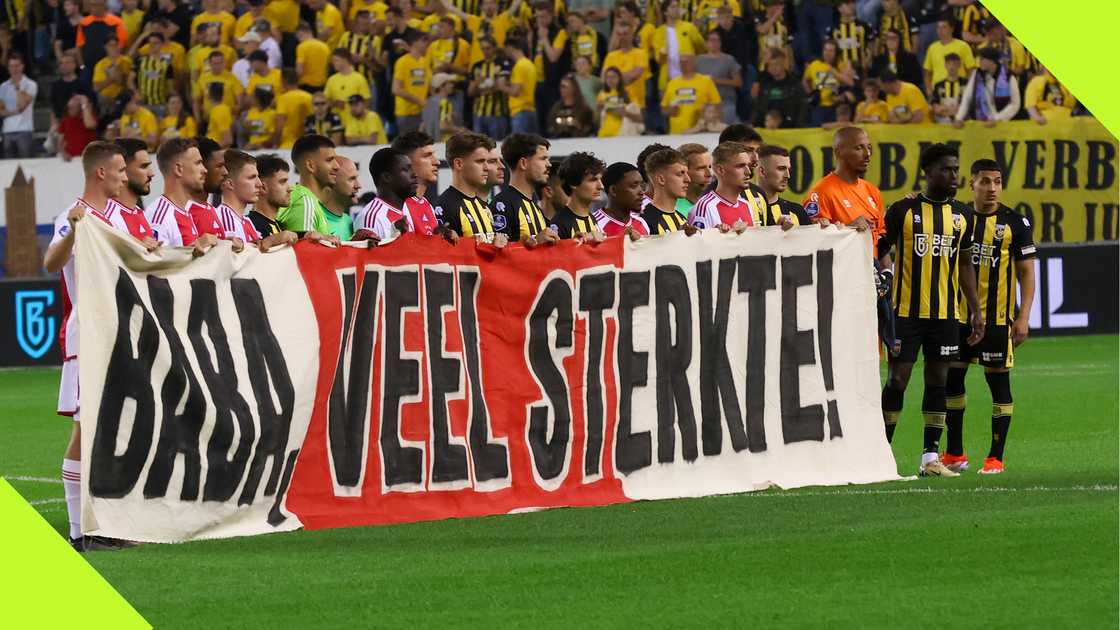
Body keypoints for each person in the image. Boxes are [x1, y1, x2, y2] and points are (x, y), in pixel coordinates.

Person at [43, 142, 131, 552]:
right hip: (88, 337)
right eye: (119, 171)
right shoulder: (74, 216)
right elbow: (50, 263)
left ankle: (104, 525)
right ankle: (79, 533)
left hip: (117, 335)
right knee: (85, 430)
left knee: (111, 432)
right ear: (100, 173)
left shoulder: (119, 219)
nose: (125, 178)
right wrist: (76, 229)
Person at [878, 143, 984, 477]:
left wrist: (975, 309)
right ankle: (880, 453)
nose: (954, 175)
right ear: (928, 173)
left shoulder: (963, 215)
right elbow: (879, 249)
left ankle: (930, 458)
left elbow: (965, 262)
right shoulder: (902, 211)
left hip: (945, 315)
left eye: (956, 169)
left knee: (938, 381)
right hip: (906, 313)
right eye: (947, 169)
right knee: (898, 380)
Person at [940, 159, 1037, 476]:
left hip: (997, 319)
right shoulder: (957, 218)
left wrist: (1023, 317)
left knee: (998, 384)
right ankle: (955, 453)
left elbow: (1026, 273)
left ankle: (995, 457)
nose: (992, 187)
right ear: (972, 184)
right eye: (984, 181)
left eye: (996, 181)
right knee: (952, 381)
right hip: (958, 317)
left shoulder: (1015, 223)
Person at [803, 126, 882, 241]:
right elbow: (812, 242)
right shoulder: (821, 193)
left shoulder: (873, 191)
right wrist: (849, 229)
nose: (867, 154)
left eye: (869, 148)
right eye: (859, 148)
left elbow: (881, 243)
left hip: (872, 259)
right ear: (839, 152)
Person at [144, 137, 220, 251]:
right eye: (198, 163)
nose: (204, 170)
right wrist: (195, 248)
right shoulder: (160, 216)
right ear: (179, 169)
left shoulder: (185, 212)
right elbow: (157, 265)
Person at [217, 149, 296, 250]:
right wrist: (270, 241)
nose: (259, 184)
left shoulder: (246, 221)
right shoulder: (225, 217)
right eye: (251, 177)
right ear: (230, 184)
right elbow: (235, 261)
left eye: (257, 177)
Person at [435, 131, 504, 243]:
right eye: (480, 161)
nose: (487, 168)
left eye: (487, 161)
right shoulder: (445, 206)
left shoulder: (483, 206)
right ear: (459, 164)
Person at [491, 132, 558, 245]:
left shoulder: (535, 209)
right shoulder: (502, 205)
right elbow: (498, 256)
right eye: (543, 159)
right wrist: (536, 242)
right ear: (523, 163)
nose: (549, 164)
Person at [277, 133, 341, 239]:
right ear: (310, 166)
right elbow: (305, 252)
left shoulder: (303, 197)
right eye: (330, 160)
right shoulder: (304, 201)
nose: (337, 166)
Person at [688, 141, 756, 231]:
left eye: (748, 166)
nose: (748, 172)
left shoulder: (746, 205)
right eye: (740, 166)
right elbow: (698, 243)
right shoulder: (706, 206)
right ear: (720, 170)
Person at [353, 147, 415, 242]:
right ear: (387, 177)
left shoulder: (405, 210)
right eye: (406, 169)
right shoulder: (371, 217)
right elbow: (369, 256)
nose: (414, 174)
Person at [106, 138, 159, 244]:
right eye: (144, 166)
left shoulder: (139, 213)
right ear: (122, 170)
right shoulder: (106, 217)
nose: (151, 173)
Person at [955, 47, 1019, 125]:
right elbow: (967, 97)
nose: (979, 62)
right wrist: (959, 118)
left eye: (982, 59)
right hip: (980, 123)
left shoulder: (1009, 77)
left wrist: (996, 118)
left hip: (1001, 124)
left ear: (992, 61)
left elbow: (1015, 104)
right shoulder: (977, 74)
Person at [551, 151, 605, 239]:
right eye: (593, 180)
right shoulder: (560, 223)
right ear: (574, 183)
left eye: (600, 179)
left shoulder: (591, 218)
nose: (601, 186)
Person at [662, 54, 720, 135]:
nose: (684, 64)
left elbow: (717, 104)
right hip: (676, 132)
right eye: (681, 62)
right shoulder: (672, 83)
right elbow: (664, 108)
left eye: (687, 62)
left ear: (694, 63)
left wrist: (714, 125)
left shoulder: (706, 81)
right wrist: (669, 111)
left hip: (700, 131)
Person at [640, 148, 693, 235]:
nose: (688, 179)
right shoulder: (645, 221)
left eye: (687, 173)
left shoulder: (682, 219)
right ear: (661, 179)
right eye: (680, 174)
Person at [755, 144, 811, 226]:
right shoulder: (744, 208)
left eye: (789, 169)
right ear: (762, 172)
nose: (787, 175)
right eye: (781, 169)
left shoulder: (797, 212)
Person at [469, 36, 511, 141]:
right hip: (478, 114)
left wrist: (481, 90)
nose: (485, 51)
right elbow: (470, 92)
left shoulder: (503, 64)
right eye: (483, 48)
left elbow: (502, 86)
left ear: (494, 48)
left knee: (497, 147)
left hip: (497, 114)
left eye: (488, 48)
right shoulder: (477, 66)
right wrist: (477, 82)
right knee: (479, 147)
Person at [751, 49, 805, 128]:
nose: (773, 68)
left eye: (777, 64)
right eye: (771, 65)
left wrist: (799, 127)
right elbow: (758, 107)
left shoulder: (794, 84)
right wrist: (753, 123)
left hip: (789, 128)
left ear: (783, 64)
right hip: (767, 127)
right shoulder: (764, 83)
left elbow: (802, 107)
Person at [593, 161, 649, 238]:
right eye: (634, 186)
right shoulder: (595, 225)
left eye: (641, 185)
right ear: (613, 190)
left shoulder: (641, 223)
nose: (641, 192)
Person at [696, 30, 741, 124]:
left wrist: (715, 81)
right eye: (711, 40)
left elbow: (738, 82)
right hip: (704, 103)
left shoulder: (729, 59)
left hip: (725, 102)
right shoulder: (699, 60)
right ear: (706, 42)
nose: (714, 43)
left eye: (717, 40)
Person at [923, 16, 974, 95]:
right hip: (938, 92)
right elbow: (927, 73)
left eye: (944, 27)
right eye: (938, 27)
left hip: (959, 91)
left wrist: (969, 89)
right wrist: (929, 91)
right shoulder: (932, 48)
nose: (940, 30)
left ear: (952, 29)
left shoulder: (963, 46)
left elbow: (971, 70)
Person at [392, 30, 431, 135]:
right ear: (414, 42)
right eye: (423, 40)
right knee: (408, 147)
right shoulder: (402, 62)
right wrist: (418, 101)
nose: (427, 43)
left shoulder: (425, 61)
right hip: (406, 113)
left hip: (422, 111)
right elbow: (396, 89)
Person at [0, 54, 37, 157]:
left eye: (16, 65)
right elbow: (1, 111)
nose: (14, 69)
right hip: (7, 130)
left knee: (25, 165)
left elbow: (21, 105)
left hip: (24, 130)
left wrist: (17, 88)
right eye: (11, 66)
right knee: (9, 166)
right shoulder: (3, 86)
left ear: (22, 66)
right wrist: (15, 111)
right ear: (8, 68)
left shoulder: (31, 84)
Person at [500, 35, 537, 134]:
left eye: (506, 49)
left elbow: (515, 92)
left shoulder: (519, 66)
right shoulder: (530, 64)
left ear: (511, 48)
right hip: (530, 109)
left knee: (519, 147)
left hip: (520, 111)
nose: (505, 52)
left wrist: (502, 86)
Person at [249, 153, 291, 238]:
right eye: (282, 182)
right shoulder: (252, 227)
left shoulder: (280, 226)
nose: (290, 189)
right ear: (263, 187)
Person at [596, 67, 642, 137]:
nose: (610, 79)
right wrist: (599, 108)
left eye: (613, 76)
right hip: (605, 133)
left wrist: (626, 113)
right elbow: (598, 117)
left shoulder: (629, 93)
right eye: (608, 77)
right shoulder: (601, 94)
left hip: (624, 133)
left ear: (619, 78)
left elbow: (640, 118)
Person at [546, 74, 595, 138]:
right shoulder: (556, 108)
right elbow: (550, 126)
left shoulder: (584, 108)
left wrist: (579, 127)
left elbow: (591, 127)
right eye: (561, 86)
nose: (561, 89)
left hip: (578, 142)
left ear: (573, 88)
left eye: (564, 86)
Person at [324, 48, 370, 114]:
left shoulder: (359, 78)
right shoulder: (331, 79)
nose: (333, 63)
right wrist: (335, 103)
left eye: (336, 60)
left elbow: (366, 102)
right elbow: (325, 100)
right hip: (337, 121)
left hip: (354, 121)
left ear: (345, 60)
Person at [323, 155, 359, 239]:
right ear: (332, 181)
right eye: (352, 179)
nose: (358, 185)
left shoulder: (348, 221)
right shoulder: (315, 220)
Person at [274, 70, 311, 149]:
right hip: (307, 143)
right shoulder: (309, 96)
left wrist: (276, 143)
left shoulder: (283, 99)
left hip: (288, 144)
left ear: (283, 81)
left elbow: (280, 124)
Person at [56, 95, 98, 161]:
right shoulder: (65, 121)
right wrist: (63, 153)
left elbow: (90, 125)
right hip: (72, 159)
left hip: (89, 159)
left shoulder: (89, 117)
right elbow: (60, 142)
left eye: (72, 107)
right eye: (68, 107)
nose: (69, 110)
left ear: (80, 107)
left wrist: (84, 104)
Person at [676, 143, 712, 217]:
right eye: (701, 168)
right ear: (683, 171)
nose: (709, 174)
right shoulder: (672, 208)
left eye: (710, 167)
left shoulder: (716, 203)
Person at [295, 21, 331, 91]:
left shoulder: (301, 47)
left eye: (298, 37)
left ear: (300, 33)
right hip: (323, 85)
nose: (298, 40)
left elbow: (300, 70)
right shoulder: (325, 46)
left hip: (306, 85)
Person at [930, 53, 964, 125]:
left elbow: (966, 107)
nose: (951, 67)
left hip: (962, 122)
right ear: (945, 65)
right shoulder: (938, 85)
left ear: (959, 65)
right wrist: (952, 110)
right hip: (943, 123)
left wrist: (945, 109)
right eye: (949, 64)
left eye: (954, 64)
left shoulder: (966, 84)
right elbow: (936, 108)